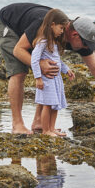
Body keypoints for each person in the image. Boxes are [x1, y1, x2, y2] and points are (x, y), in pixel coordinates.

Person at [0, 2, 95, 135]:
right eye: (86, 44)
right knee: (19, 72)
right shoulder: (47, 25)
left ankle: (39, 122)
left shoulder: (74, 37)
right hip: (8, 24)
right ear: (75, 35)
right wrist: (40, 64)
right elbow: (18, 50)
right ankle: (17, 125)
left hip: (32, 34)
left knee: (50, 71)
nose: (86, 48)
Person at [30, 9, 75, 137]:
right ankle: (46, 130)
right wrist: (38, 78)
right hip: (46, 80)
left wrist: (66, 70)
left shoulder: (53, 43)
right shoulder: (42, 42)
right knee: (47, 105)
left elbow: (57, 61)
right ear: (52, 24)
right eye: (61, 28)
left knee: (55, 105)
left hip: (56, 80)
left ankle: (52, 128)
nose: (62, 32)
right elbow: (34, 60)